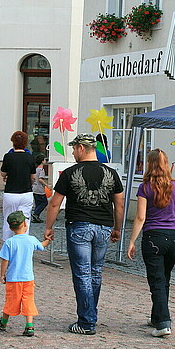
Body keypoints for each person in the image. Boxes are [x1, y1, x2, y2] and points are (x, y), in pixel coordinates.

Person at [44, 133, 124, 335]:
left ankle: (87, 321)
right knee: (95, 272)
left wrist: (48, 227)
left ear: (81, 148)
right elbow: (119, 203)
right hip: (104, 227)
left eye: (74, 148)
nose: (72, 151)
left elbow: (55, 203)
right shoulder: (111, 173)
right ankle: (90, 313)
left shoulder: (71, 173)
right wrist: (117, 228)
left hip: (79, 226)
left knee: (82, 274)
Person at [127, 149, 175, 338]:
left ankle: (164, 323)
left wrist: (132, 240)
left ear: (149, 165)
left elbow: (141, 216)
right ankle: (157, 316)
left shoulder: (145, 187)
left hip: (154, 236)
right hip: (174, 235)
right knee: (164, 278)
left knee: (156, 280)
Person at [0, 211, 51, 337]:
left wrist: (2, 275)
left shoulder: (9, 242)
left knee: (11, 300)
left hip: (13, 278)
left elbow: (5, 260)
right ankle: (29, 326)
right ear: (25, 223)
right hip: (28, 278)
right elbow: (42, 246)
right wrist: (47, 240)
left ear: (10, 227)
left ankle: (3, 322)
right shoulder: (31, 240)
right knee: (28, 300)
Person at [1, 131, 36, 240]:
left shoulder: (8, 156)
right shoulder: (29, 157)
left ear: (13, 142)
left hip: (11, 193)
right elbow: (33, 176)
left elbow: (3, 173)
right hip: (26, 193)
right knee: (25, 220)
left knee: (9, 219)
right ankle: (23, 245)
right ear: (25, 143)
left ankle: (8, 245)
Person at [31, 154, 50, 223]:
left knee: (38, 203)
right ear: (42, 161)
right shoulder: (41, 170)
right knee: (44, 202)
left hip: (34, 188)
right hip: (39, 189)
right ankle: (36, 214)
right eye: (44, 159)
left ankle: (36, 217)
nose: (45, 161)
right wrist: (47, 185)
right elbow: (40, 179)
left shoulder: (36, 169)